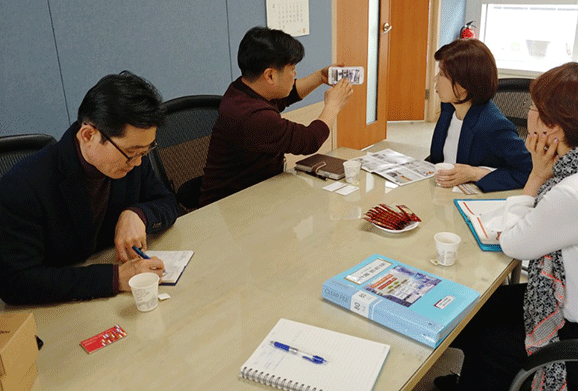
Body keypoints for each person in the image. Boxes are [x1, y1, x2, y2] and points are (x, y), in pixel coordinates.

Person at [435, 62, 578, 391]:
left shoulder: (576, 191)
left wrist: (537, 176)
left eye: (535, 109)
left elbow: (512, 242)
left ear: (553, 129)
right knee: (474, 309)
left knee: (483, 336)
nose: (528, 112)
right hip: (572, 298)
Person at [0, 71, 180, 305]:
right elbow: (17, 282)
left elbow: (168, 203)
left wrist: (138, 214)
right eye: (132, 153)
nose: (137, 162)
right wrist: (115, 278)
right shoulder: (22, 188)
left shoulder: (132, 159)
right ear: (88, 135)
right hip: (61, 312)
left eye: (144, 151)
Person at [198, 26, 353, 207]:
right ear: (270, 75)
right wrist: (333, 105)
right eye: (292, 69)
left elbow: (287, 94)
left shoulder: (242, 89)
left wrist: (320, 77)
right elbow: (309, 140)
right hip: (232, 205)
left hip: (257, 192)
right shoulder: (252, 117)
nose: (295, 74)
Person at [429, 38, 532, 192]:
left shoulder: (493, 124)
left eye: (442, 74)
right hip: (441, 194)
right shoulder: (449, 108)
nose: (435, 79)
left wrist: (475, 173)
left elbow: (528, 170)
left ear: (464, 83)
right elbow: (438, 159)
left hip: (472, 202)